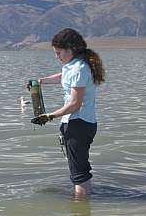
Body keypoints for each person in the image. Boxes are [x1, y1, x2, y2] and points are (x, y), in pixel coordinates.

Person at [31, 28, 105, 196]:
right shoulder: (73, 65)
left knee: (79, 174)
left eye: (59, 53)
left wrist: (49, 116)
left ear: (71, 49)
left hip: (78, 125)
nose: (57, 56)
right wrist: (41, 81)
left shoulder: (80, 68)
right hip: (77, 123)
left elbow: (74, 104)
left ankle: (81, 207)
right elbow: (63, 76)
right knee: (79, 170)